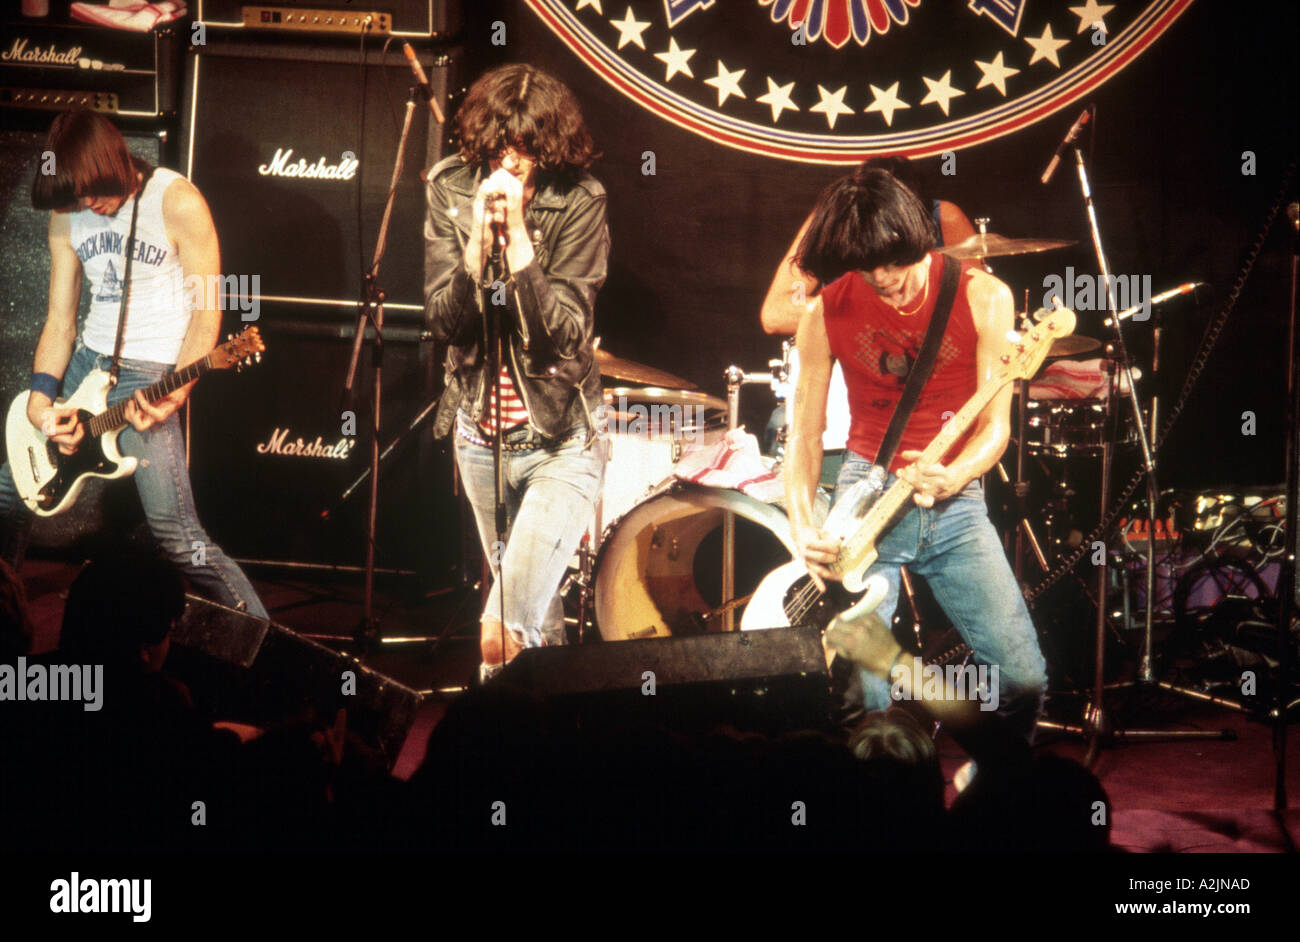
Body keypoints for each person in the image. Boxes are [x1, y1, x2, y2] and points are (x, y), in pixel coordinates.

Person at [785, 167, 1047, 742]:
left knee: (1023, 680)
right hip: (863, 494)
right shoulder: (822, 312)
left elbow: (995, 428)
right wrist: (805, 528)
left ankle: (995, 796)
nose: (885, 280)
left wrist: (956, 475)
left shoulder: (984, 296)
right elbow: (803, 436)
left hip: (953, 501)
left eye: (895, 263)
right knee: (865, 697)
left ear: (916, 240)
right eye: (868, 268)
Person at [0, 110, 266, 619]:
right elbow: (60, 321)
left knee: (178, 538)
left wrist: (174, 392)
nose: (87, 208)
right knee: (9, 498)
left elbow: (207, 314)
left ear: (112, 161)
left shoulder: (178, 201)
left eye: (92, 195)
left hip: (149, 375)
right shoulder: (68, 213)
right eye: (76, 200)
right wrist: (40, 405)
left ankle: (267, 654)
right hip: (85, 369)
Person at [423, 64, 608, 680]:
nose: (513, 160)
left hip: (561, 441)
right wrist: (476, 252)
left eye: (527, 147)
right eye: (503, 145)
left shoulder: (581, 199)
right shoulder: (450, 186)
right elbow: (444, 326)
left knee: (501, 627)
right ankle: (547, 747)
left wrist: (521, 244)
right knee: (537, 615)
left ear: (548, 145)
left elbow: (563, 334)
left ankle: (482, 755)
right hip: (480, 440)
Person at [760, 157, 976, 476]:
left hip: (931, 396)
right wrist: (861, 318)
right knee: (783, 426)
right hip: (849, 396)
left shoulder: (944, 218)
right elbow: (777, 311)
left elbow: (975, 313)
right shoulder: (835, 221)